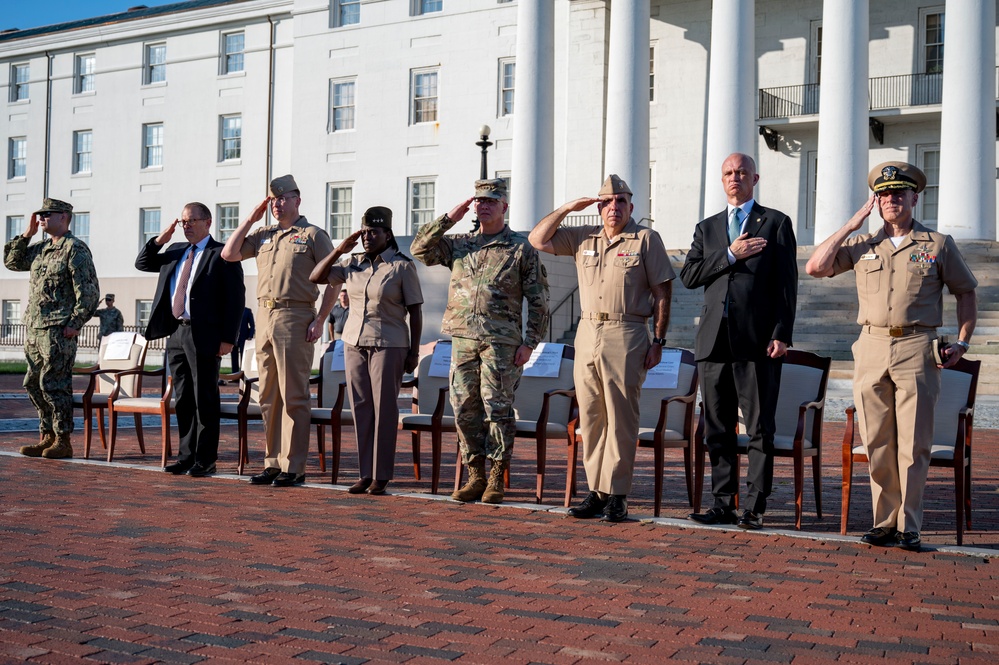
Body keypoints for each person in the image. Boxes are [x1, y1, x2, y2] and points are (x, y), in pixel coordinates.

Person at [805, 161, 978, 551]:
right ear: (876, 201)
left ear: (915, 198)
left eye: (900, 192)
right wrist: (851, 225)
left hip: (917, 346)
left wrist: (963, 342)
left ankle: (909, 524)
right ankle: (884, 522)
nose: (891, 199)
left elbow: (966, 291)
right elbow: (816, 267)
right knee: (877, 440)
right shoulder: (863, 244)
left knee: (914, 443)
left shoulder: (937, 244)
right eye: (884, 194)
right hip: (870, 345)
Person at [529, 175, 674, 522]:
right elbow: (537, 239)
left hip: (627, 331)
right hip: (587, 330)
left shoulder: (645, 239)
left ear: (631, 206)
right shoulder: (583, 237)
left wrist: (659, 341)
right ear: (598, 206)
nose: (613, 208)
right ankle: (597, 490)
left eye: (620, 201)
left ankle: (618, 494)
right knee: (591, 416)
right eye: (607, 202)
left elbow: (663, 293)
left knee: (621, 417)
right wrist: (566, 208)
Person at [412, 178, 549, 505]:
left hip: (500, 344)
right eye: (478, 201)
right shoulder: (460, 244)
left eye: (490, 200)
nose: (483, 206)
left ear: (504, 206)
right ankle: (474, 476)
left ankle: (496, 477)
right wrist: (449, 218)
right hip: (462, 341)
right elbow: (419, 249)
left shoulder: (520, 247)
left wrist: (530, 342)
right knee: (463, 409)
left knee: (496, 408)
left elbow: (540, 300)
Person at [682, 153, 797, 530]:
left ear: (755, 178)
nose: (736, 178)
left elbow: (787, 285)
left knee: (759, 427)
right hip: (714, 341)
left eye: (742, 172)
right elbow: (690, 276)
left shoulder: (776, 222)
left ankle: (754, 505)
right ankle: (722, 502)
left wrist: (782, 333)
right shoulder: (708, 227)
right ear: (722, 180)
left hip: (758, 340)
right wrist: (731, 254)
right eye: (729, 173)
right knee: (717, 427)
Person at [222, 174, 337, 487]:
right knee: (268, 396)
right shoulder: (262, 234)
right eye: (273, 199)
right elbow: (228, 254)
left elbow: (334, 279)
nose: (278, 204)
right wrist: (249, 219)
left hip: (296, 316)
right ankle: (273, 462)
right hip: (264, 316)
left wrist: (320, 318)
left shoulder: (313, 235)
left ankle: (294, 466)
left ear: (298, 200)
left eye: (284, 198)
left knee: (294, 395)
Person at [310, 206, 423, 495]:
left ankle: (381, 476)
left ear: (387, 233)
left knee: (384, 410)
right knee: (361, 408)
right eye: (364, 232)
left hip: (389, 344)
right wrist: (338, 250)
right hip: (354, 344)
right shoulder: (353, 263)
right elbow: (316, 277)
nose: (367, 237)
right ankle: (364, 473)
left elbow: (415, 312)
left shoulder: (401, 266)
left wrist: (413, 353)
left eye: (374, 232)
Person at [136, 202, 245, 477]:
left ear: (207, 222)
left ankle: (206, 459)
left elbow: (235, 300)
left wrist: (228, 339)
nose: (187, 225)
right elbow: (143, 263)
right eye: (184, 221)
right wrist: (161, 239)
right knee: (183, 398)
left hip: (205, 335)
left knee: (204, 397)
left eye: (192, 220)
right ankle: (186, 457)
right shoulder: (174, 251)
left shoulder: (222, 253)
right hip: (177, 332)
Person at [4, 198, 100, 459]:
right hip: (35, 329)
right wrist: (26, 234)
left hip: (58, 330)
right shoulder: (41, 248)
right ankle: (46, 436)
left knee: (54, 384)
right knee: (33, 383)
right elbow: (12, 262)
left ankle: (63, 439)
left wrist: (75, 323)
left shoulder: (75, 249)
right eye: (40, 215)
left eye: (48, 214)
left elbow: (89, 291)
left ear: (64, 217)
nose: (42, 218)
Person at [230, 306, 255, 375]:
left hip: (244, 337)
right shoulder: (231, 310)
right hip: (233, 337)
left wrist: (250, 336)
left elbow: (252, 325)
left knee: (243, 357)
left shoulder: (247, 311)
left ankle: (242, 374)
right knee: (234, 357)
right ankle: (234, 374)